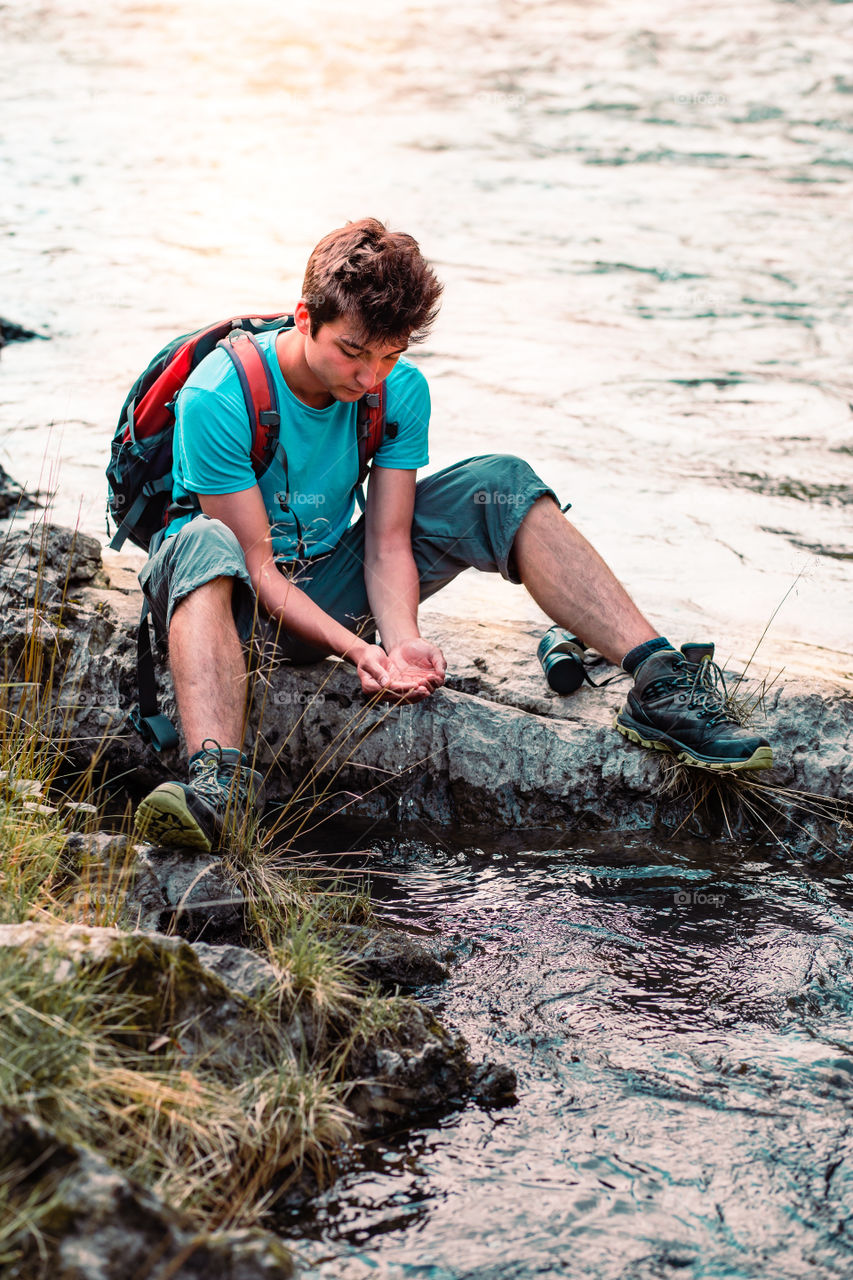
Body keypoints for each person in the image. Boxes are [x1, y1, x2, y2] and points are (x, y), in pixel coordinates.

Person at [133, 218, 772, 852]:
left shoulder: (395, 392)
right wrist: (360, 655)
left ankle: (659, 681)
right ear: (305, 318)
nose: (369, 378)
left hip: (323, 585)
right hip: (233, 604)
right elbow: (262, 570)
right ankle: (219, 786)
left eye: (390, 355)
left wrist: (402, 641)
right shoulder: (218, 395)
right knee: (204, 543)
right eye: (353, 351)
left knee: (499, 482)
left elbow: (387, 543)